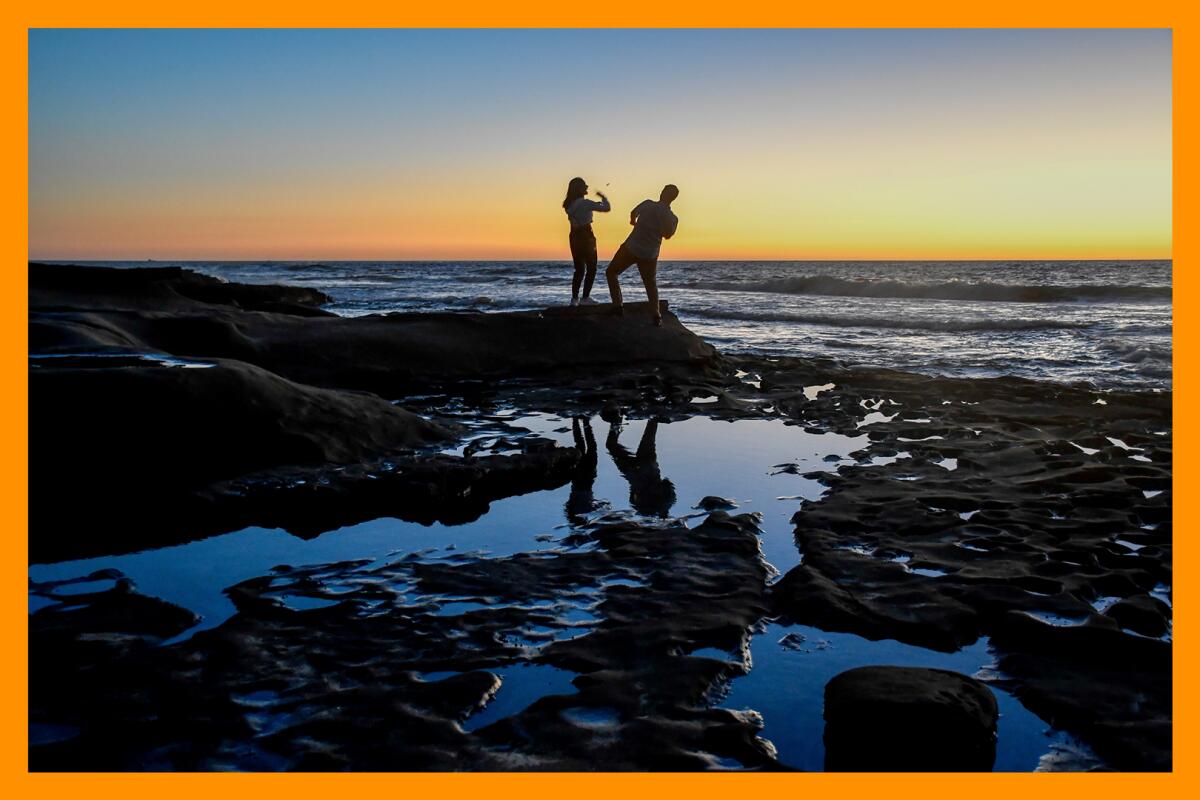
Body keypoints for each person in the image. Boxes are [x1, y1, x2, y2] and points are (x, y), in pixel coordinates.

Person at [605, 184, 679, 326]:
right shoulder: (672, 218)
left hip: (631, 247)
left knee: (611, 273)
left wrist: (634, 223)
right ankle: (656, 315)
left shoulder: (647, 204)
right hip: (650, 253)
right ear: (673, 199)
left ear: (662, 193)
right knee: (650, 284)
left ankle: (617, 306)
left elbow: (633, 213)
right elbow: (668, 235)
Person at [562, 177, 610, 306]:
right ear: (579, 189)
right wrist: (603, 197)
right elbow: (607, 208)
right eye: (584, 186)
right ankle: (585, 298)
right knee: (592, 267)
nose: (587, 187)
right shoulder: (585, 203)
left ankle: (574, 299)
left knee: (579, 269)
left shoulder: (569, 205)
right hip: (587, 235)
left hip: (574, 236)